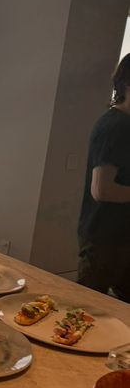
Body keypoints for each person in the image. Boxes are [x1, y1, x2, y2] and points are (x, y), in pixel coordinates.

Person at [77, 53, 130, 302]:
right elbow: (102, 190)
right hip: (105, 237)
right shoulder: (114, 127)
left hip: (123, 235)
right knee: (88, 309)